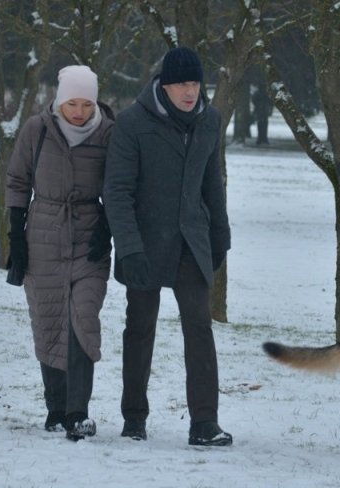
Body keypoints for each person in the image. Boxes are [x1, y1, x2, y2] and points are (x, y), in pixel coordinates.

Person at [103, 46, 233, 446]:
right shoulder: (131, 123)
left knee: (199, 326)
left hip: (190, 242)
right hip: (143, 243)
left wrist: (220, 235)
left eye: (194, 82)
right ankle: (134, 417)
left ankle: (204, 423)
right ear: (164, 84)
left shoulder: (209, 120)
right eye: (181, 84)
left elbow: (212, 181)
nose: (189, 91)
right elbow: (117, 191)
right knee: (140, 327)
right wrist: (129, 248)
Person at [5, 65, 114, 442]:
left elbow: (118, 185)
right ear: (59, 101)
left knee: (83, 316)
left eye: (87, 103)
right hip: (43, 234)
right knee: (50, 320)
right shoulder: (37, 130)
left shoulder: (108, 133)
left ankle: (77, 413)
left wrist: (107, 227)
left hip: (89, 237)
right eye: (72, 103)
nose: (80, 111)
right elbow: (17, 181)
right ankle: (55, 408)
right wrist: (15, 238)